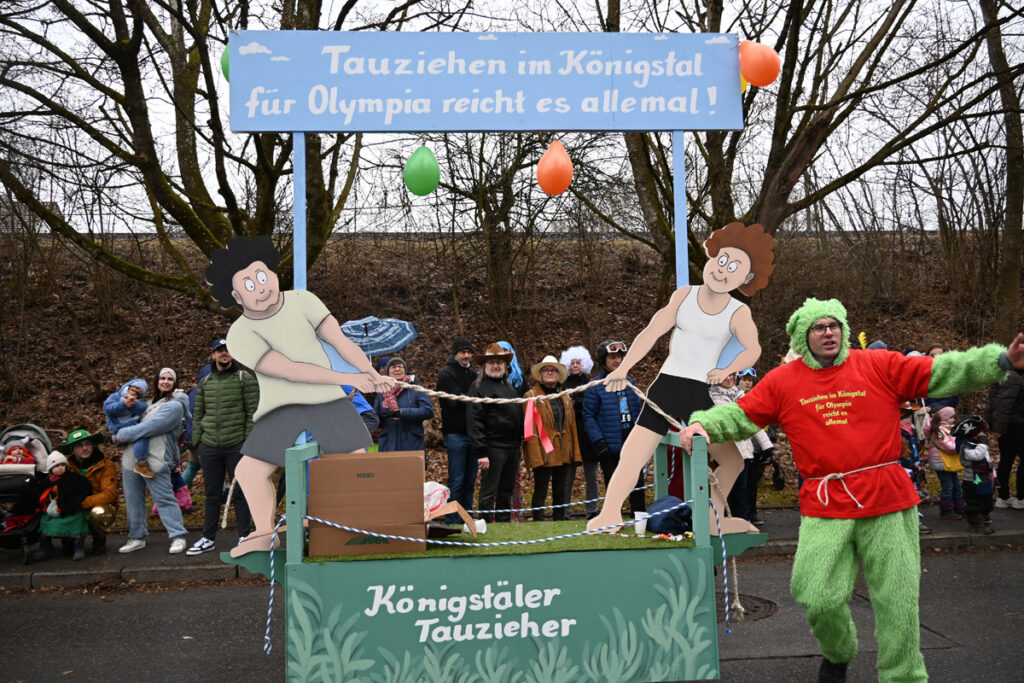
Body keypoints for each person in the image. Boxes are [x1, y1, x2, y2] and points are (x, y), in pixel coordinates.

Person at [677, 297, 1023, 682]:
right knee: (816, 594)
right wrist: (705, 425)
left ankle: (904, 676)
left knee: (897, 602)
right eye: (819, 327)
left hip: (887, 499)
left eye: (834, 325)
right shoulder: (783, 381)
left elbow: (942, 370)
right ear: (803, 335)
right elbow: (741, 414)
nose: (829, 333)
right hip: (826, 503)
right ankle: (838, 651)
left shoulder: (878, 365)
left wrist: (1000, 360)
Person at [206, 235, 393, 557]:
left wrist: (372, 374)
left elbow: (341, 342)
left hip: (326, 399)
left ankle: (362, 525)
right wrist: (351, 379)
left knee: (356, 460)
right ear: (236, 295)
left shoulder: (304, 301)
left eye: (262, 276)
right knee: (249, 471)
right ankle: (264, 532)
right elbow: (290, 370)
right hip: (281, 406)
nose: (260, 287)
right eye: (248, 284)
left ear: (273, 272)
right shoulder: (239, 334)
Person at [587, 222, 776, 536]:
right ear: (711, 258)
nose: (723, 269)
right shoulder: (685, 295)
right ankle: (609, 513)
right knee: (634, 453)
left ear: (745, 278)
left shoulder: (738, 311)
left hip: (701, 395)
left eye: (734, 267)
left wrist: (728, 369)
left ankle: (712, 520)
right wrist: (622, 369)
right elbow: (651, 332)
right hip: (667, 386)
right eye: (722, 259)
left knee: (733, 462)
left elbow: (752, 349)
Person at [185, 338, 259, 556]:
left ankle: (244, 536)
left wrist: (246, 441)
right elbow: (198, 413)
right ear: (213, 355)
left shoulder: (244, 379)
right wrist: (198, 442)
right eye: (219, 350)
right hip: (209, 446)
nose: (224, 353)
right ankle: (208, 538)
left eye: (227, 350)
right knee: (212, 495)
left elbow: (253, 412)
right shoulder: (206, 382)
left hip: (236, 445)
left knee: (240, 492)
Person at [113, 369, 190, 555]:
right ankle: (136, 537)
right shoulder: (147, 405)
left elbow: (150, 427)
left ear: (175, 383)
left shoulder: (175, 406)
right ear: (156, 381)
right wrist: (116, 433)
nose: (165, 381)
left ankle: (178, 536)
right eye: (162, 378)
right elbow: (127, 420)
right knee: (133, 500)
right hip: (131, 458)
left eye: (170, 379)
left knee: (164, 498)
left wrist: (121, 435)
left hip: (156, 458)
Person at [583, 340, 646, 517]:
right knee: (613, 485)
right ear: (603, 360)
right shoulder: (595, 386)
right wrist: (599, 442)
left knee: (637, 483)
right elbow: (588, 416)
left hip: (631, 442)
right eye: (612, 357)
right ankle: (612, 518)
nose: (617, 360)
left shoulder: (630, 382)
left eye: (619, 357)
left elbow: (638, 412)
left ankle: (639, 518)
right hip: (609, 445)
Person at [466, 343, 523, 523]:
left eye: (499, 362)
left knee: (506, 488)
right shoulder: (478, 388)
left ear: (505, 366)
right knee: (489, 490)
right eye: (492, 362)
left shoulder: (510, 388)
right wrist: (481, 452)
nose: (496, 366)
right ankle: (485, 523)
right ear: (485, 366)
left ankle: (503, 523)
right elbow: (474, 422)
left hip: (513, 447)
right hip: (492, 447)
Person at [523, 356, 582, 521]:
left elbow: (572, 427)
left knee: (561, 490)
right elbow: (530, 430)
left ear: (558, 374)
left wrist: (575, 453)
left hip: (563, 451)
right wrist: (536, 458)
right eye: (546, 370)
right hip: (544, 451)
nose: (550, 373)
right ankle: (538, 522)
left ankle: (559, 521)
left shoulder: (566, 397)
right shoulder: (531, 397)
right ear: (540, 374)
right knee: (540, 490)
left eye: (553, 370)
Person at [437, 336, 478, 523]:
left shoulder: (474, 376)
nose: (466, 356)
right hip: (455, 435)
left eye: (469, 352)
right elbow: (455, 402)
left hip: (473, 434)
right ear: (455, 354)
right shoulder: (446, 374)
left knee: (470, 481)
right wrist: (475, 400)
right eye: (463, 352)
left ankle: (467, 518)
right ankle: (452, 519)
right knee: (457, 479)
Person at [59, 428, 118, 555]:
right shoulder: (65, 467)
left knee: (99, 513)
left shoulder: (106, 465)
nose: (85, 448)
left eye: (88, 444)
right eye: (79, 446)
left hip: (97, 504)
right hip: (74, 505)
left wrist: (83, 503)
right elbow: (56, 486)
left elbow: (109, 494)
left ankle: (99, 540)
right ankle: (68, 539)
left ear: (93, 446)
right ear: (72, 450)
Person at [32, 453, 93, 561]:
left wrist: (69, 504)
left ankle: (78, 548)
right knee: (45, 523)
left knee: (77, 523)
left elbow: (83, 491)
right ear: (50, 468)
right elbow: (39, 495)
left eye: (62, 465)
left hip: (72, 509)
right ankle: (45, 548)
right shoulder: (46, 482)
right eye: (56, 466)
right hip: (53, 511)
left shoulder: (75, 479)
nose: (60, 468)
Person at [560, 345, 596, 518]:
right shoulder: (562, 386)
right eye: (572, 362)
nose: (575, 365)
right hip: (571, 437)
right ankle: (564, 512)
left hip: (588, 436)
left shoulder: (591, 385)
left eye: (578, 362)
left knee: (592, 477)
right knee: (568, 478)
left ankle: (592, 510)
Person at [373, 358, 434, 454]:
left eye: (400, 366)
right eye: (393, 367)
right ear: (388, 372)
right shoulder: (382, 393)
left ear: (405, 370)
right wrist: (381, 416)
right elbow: (374, 419)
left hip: (411, 443)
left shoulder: (416, 389)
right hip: (388, 443)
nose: (397, 369)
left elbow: (428, 411)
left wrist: (403, 412)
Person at [103, 379, 152, 478]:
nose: (134, 393)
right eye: (133, 390)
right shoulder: (115, 397)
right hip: (118, 426)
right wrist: (123, 405)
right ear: (127, 387)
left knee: (142, 434)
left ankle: (141, 462)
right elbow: (108, 409)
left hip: (131, 424)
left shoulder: (138, 402)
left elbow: (143, 408)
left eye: (137, 393)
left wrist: (133, 405)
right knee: (141, 435)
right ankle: (141, 462)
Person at [990, 366, 1024, 509]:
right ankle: (1019, 498)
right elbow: (1004, 403)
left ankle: (1004, 497)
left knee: (1006, 460)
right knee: (1007, 460)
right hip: (1015, 426)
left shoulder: (1006, 375)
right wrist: (998, 428)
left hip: (1008, 425)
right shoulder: (1013, 378)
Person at [923, 406, 965, 520]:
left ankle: (959, 507)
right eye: (951, 417)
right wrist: (962, 444)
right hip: (941, 462)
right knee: (948, 486)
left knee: (956, 484)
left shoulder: (947, 429)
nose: (953, 419)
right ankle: (946, 510)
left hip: (947, 462)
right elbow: (949, 447)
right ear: (944, 418)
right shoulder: (939, 431)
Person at [955, 415, 996, 533]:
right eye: (980, 432)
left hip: (985, 478)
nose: (983, 434)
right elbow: (976, 456)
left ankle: (984, 515)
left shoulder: (979, 444)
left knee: (986, 500)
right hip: (973, 479)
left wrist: (994, 475)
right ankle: (975, 521)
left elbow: (987, 460)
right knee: (974, 501)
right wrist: (982, 444)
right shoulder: (966, 445)